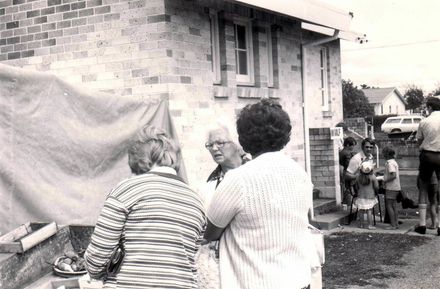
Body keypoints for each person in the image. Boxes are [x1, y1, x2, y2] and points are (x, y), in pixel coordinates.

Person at [204, 99, 314, 289]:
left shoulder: (238, 179)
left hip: (256, 282)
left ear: (243, 139)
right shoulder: (300, 173)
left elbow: (211, 232)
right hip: (299, 280)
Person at [84, 125, 206, 288]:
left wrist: (97, 272)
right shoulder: (196, 201)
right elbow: (190, 259)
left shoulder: (126, 190)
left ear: (137, 159)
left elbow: (97, 258)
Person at [197, 124, 250, 289]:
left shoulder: (253, 174)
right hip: (217, 262)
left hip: (249, 259)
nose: (214, 149)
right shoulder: (210, 184)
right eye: (210, 145)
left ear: (237, 144)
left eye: (220, 143)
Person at [414, 96, 440, 235]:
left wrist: (422, 148)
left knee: (423, 187)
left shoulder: (424, 121)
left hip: (428, 155)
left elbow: (419, 140)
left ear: (430, 107)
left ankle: (423, 224)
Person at [355, 161, 379, 229]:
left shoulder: (358, 177)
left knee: (361, 210)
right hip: (370, 196)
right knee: (369, 211)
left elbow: (356, 187)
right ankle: (370, 225)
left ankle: (361, 224)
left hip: (360, 196)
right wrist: (376, 192)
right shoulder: (373, 177)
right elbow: (376, 187)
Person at [381, 146, 401, 229]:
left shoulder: (390, 164)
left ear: (386, 155)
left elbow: (393, 175)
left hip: (391, 187)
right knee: (394, 205)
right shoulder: (394, 162)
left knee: (389, 205)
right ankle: (396, 223)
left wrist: (384, 180)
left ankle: (393, 225)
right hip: (396, 187)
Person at [339, 137, 357, 205]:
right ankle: (350, 205)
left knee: (346, 189)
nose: (353, 147)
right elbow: (349, 164)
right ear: (347, 145)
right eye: (352, 145)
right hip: (348, 173)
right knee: (349, 189)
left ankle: (347, 204)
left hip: (343, 173)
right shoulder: (347, 153)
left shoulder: (342, 152)